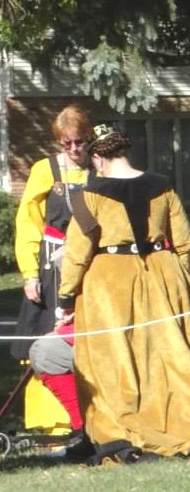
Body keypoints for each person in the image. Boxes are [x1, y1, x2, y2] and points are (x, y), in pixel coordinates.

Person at [55, 124, 190, 462]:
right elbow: (184, 240)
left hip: (110, 283)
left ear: (98, 158)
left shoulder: (89, 195)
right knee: (174, 352)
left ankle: (126, 428)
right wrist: (184, 280)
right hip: (165, 273)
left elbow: (77, 251)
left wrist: (65, 298)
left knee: (116, 360)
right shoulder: (162, 187)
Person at [11, 106, 93, 365]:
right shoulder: (44, 170)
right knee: (46, 327)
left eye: (79, 142)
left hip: (89, 259)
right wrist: (30, 275)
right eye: (66, 143)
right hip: (51, 264)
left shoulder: (99, 168)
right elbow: (27, 222)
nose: (74, 149)